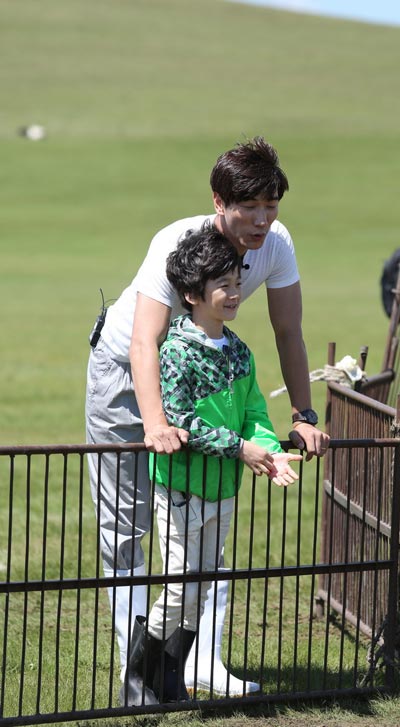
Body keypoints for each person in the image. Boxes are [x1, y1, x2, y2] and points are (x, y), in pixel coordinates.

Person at [85, 136, 330, 700]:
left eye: (272, 206)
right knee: (127, 528)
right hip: (125, 373)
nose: (263, 220)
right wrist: (156, 423)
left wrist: (303, 412)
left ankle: (199, 663)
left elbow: (287, 331)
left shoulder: (277, 243)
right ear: (219, 201)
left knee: (207, 540)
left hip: (209, 376)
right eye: (251, 207)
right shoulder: (176, 240)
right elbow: (147, 342)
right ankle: (140, 669)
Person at [121, 224, 303, 705]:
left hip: (222, 489)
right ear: (190, 295)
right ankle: (138, 673)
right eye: (222, 285)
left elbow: (255, 415)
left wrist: (269, 450)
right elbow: (178, 420)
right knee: (181, 587)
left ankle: (169, 678)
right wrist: (242, 449)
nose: (234, 293)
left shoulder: (240, 352)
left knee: (201, 590)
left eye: (237, 284)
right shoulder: (177, 352)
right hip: (182, 486)